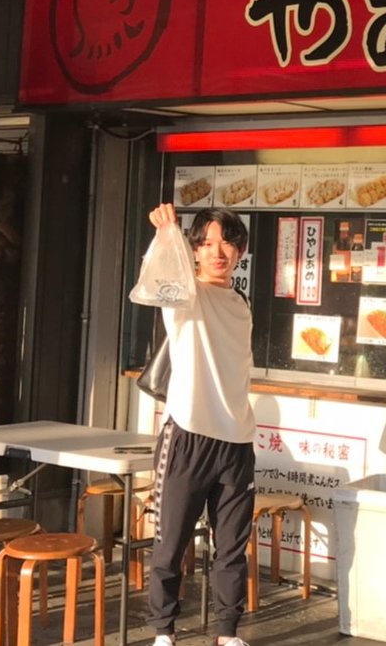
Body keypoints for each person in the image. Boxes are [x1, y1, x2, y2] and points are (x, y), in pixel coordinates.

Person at [139, 203, 256, 646]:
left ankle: (227, 633)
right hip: (188, 435)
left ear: (241, 250)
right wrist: (168, 233)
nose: (217, 251)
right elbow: (156, 279)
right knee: (171, 545)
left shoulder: (241, 302)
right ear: (193, 252)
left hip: (237, 441)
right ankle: (163, 633)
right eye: (205, 243)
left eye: (226, 241)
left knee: (230, 549)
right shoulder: (184, 294)